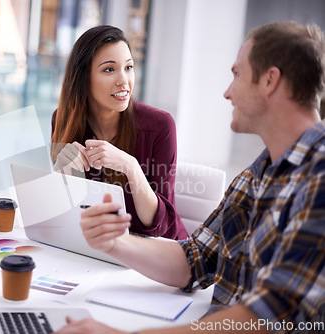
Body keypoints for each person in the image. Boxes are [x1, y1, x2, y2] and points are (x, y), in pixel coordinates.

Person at [55, 20, 325, 334]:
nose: (226, 92)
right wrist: (115, 242)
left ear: (269, 81)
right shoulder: (257, 175)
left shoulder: (318, 180)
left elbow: (270, 318)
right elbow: (194, 259)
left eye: (236, 74)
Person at [50, 25, 188, 239]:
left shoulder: (160, 125)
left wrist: (130, 166)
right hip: (100, 249)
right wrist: (60, 176)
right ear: (83, 79)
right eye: (109, 69)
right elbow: (62, 214)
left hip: (159, 252)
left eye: (129, 67)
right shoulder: (63, 119)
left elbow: (161, 226)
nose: (124, 80)